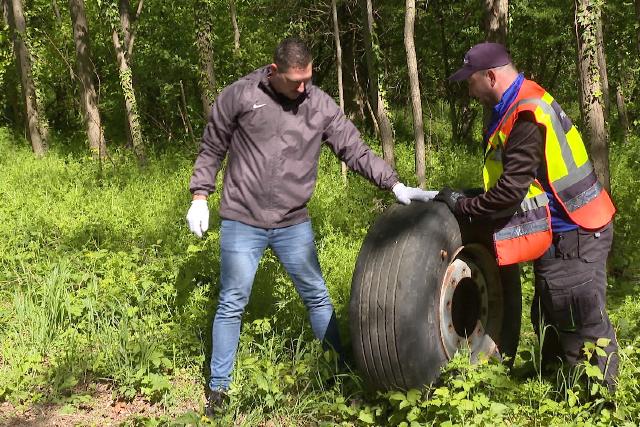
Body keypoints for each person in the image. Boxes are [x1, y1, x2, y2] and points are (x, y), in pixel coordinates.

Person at [186, 38, 436, 415]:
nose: (302, 88)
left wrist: (394, 184)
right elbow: (212, 147)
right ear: (273, 72)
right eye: (294, 81)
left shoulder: (317, 105)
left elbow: (353, 148)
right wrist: (199, 195)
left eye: (308, 79)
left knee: (317, 296)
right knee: (232, 302)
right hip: (242, 219)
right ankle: (219, 390)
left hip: (292, 223)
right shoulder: (239, 96)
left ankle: (338, 374)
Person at [435, 42, 618, 390]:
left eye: (469, 81)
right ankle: (550, 377)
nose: (468, 89)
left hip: (577, 229)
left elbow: (507, 195)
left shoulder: (525, 115)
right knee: (549, 310)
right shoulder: (518, 103)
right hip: (562, 230)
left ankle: (599, 400)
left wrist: (462, 206)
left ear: (490, 77)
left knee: (579, 319)